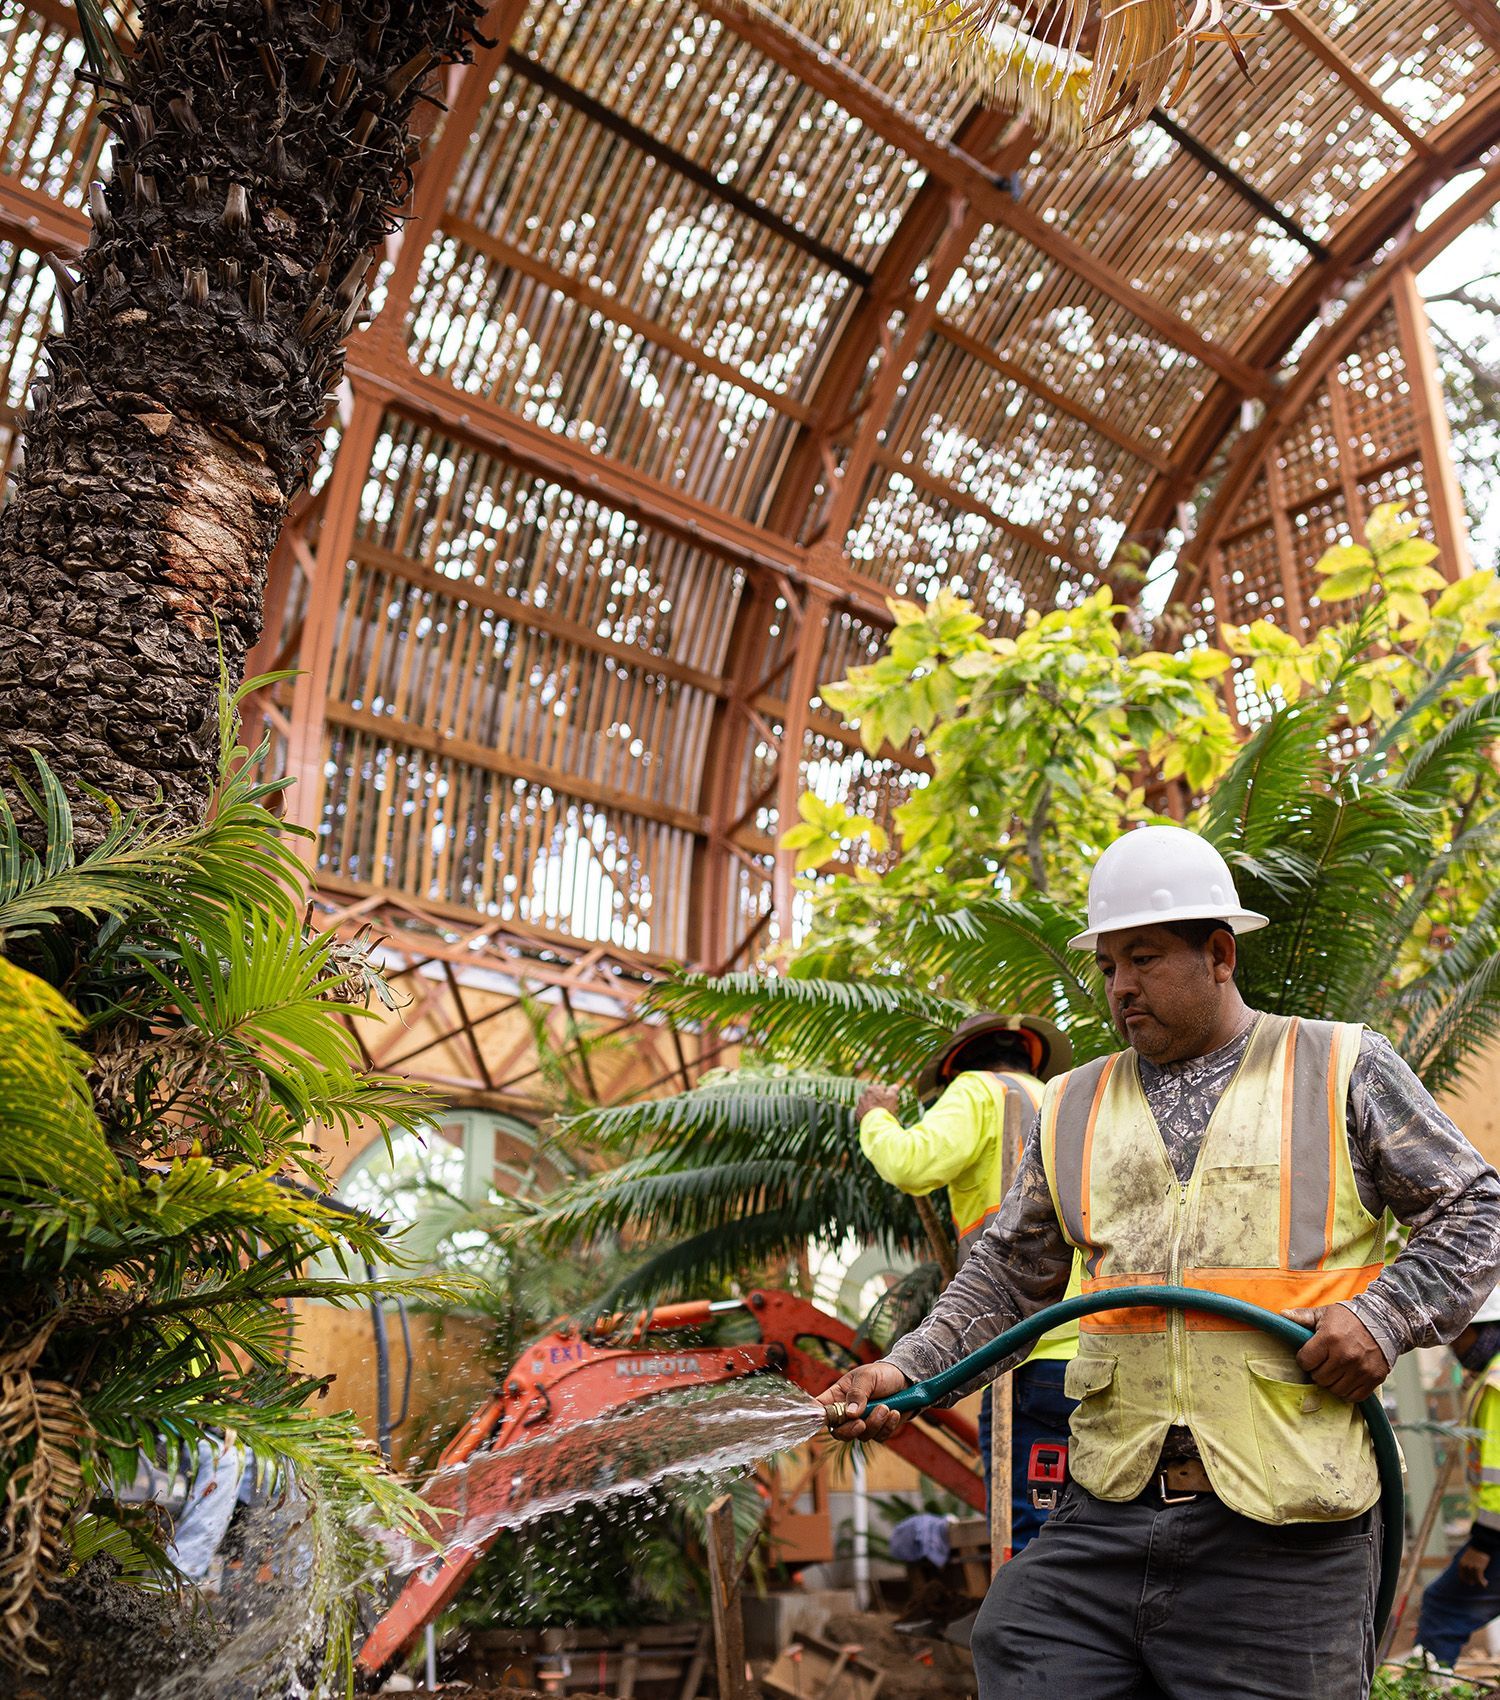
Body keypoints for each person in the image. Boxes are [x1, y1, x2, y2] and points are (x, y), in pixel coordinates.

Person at [817, 824, 1500, 1700]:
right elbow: (1003, 1279)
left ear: (1220, 953)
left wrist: (1384, 1316)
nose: (1120, 986)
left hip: (1286, 1523)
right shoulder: (1070, 1104)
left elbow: (1473, 1209)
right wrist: (903, 1369)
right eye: (1107, 966)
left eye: (1142, 958)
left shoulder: (1340, 1066)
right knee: (1020, 1638)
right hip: (1109, 1504)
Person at [856, 1012, 1079, 1549]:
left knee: (1026, 1539)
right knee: (1083, 1534)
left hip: (1016, 1350)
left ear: (960, 1064)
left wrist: (875, 1119)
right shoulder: (1066, 1100)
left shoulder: (979, 1091)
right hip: (1089, 1349)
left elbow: (912, 1163)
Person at [1412, 1288, 1500, 1669]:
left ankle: (1427, 1690)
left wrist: (1485, 1543)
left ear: (1484, 1331)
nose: (1451, 1344)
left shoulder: (1496, 1385)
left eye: (1458, 1333)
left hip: (1497, 1536)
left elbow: (1498, 1474)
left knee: (1443, 1609)